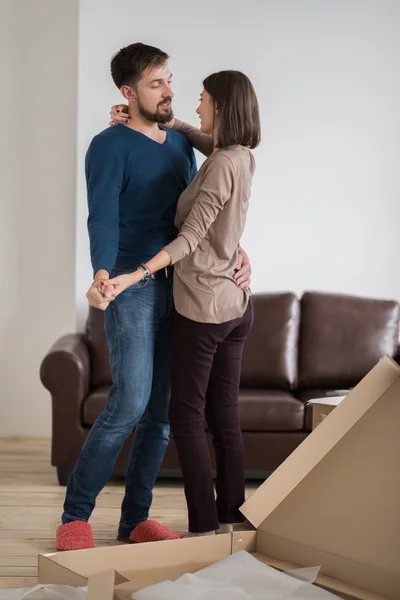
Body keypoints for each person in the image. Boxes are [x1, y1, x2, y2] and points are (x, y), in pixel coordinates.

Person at [55, 42, 251, 551]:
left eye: (169, 79)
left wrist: (236, 250)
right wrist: (103, 274)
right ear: (127, 92)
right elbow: (100, 214)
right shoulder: (107, 144)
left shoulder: (179, 145)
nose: (170, 91)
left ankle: (134, 520)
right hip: (130, 283)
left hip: (184, 285)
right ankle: (75, 517)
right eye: (155, 83)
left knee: (163, 412)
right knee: (130, 402)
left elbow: (201, 215)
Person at [104, 68, 260, 538]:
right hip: (237, 305)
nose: (195, 107)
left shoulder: (217, 166)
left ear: (222, 108)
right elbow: (197, 136)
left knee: (186, 416)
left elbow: (191, 236)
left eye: (203, 99)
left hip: (204, 308)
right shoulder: (240, 156)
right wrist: (164, 124)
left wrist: (138, 272)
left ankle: (203, 525)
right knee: (224, 416)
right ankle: (232, 516)